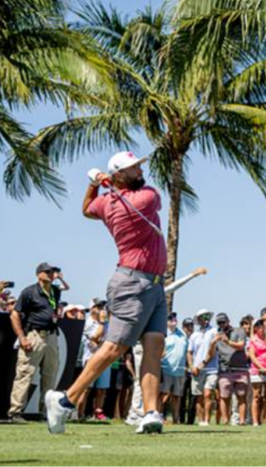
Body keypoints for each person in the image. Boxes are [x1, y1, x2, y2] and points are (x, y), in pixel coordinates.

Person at [47, 152, 169, 435]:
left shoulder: (106, 202)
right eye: (133, 168)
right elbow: (151, 196)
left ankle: (151, 413)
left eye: (138, 166)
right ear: (118, 176)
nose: (140, 171)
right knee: (115, 347)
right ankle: (65, 400)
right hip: (132, 283)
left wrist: (94, 184)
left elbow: (87, 209)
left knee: (154, 346)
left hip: (154, 284)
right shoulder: (146, 198)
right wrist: (103, 183)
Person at [8, 263, 65, 424]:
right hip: (34, 335)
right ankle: (15, 412)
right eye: (47, 271)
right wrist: (22, 337)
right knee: (25, 373)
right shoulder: (29, 292)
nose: (51, 274)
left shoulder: (55, 291)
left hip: (52, 335)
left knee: (50, 375)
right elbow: (14, 315)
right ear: (38, 274)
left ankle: (45, 412)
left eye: (53, 271)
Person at [214, 313, 249, 426]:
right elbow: (211, 353)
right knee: (224, 397)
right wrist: (213, 342)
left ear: (228, 321)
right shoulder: (216, 335)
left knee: (241, 396)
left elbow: (241, 345)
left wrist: (227, 341)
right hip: (225, 370)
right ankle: (225, 420)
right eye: (219, 323)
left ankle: (242, 421)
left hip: (240, 369)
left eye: (223, 322)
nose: (221, 324)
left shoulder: (239, 331)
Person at [80, 299, 110, 421]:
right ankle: (80, 413)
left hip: (105, 359)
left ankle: (98, 413)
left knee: (102, 389)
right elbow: (95, 339)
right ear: (91, 309)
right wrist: (102, 323)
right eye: (98, 307)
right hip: (90, 358)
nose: (101, 309)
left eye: (103, 307)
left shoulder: (107, 323)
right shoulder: (87, 324)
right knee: (86, 388)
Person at [187, 309, 219, 426]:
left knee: (207, 394)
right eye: (203, 316)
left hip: (211, 369)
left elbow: (212, 351)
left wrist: (202, 364)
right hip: (196, 370)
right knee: (199, 397)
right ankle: (201, 421)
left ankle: (207, 421)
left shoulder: (214, 331)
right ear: (199, 319)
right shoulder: (194, 335)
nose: (206, 318)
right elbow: (189, 352)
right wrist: (191, 366)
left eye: (207, 316)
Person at [160, 312, 187, 424]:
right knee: (164, 395)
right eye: (170, 318)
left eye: (175, 318)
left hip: (180, 371)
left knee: (177, 396)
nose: (173, 320)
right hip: (166, 369)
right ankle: (160, 416)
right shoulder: (163, 334)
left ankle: (176, 419)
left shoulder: (182, 334)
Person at [247, 318, 266, 426]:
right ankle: (255, 422)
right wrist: (261, 368)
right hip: (257, 370)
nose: (261, 328)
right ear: (255, 329)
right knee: (256, 396)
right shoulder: (253, 340)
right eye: (258, 327)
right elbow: (252, 356)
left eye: (262, 326)